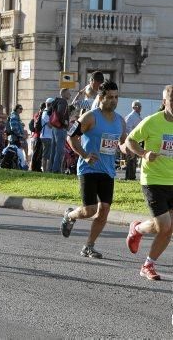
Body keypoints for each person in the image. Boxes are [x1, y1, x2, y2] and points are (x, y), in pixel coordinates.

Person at [61, 81, 126, 258]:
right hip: (88, 169)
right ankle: (70, 215)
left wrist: (129, 150)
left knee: (104, 209)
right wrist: (84, 155)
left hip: (107, 171)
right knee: (89, 210)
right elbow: (71, 137)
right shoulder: (90, 117)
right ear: (101, 97)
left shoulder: (120, 121)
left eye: (116, 97)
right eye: (110, 97)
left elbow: (122, 143)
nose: (114, 101)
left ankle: (89, 246)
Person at [125, 85, 173, 281]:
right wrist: (144, 153)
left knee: (168, 227)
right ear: (164, 102)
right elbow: (130, 140)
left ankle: (137, 230)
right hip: (153, 180)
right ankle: (147, 264)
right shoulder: (152, 122)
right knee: (164, 226)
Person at [49, 89, 72, 173]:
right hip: (60, 128)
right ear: (64, 94)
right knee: (60, 150)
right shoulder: (63, 102)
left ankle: (51, 168)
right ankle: (56, 170)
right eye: (69, 93)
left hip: (55, 127)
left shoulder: (56, 101)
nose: (70, 95)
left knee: (53, 149)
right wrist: (65, 123)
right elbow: (60, 113)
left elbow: (49, 112)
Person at [124, 100, 143, 180]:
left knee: (133, 159)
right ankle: (130, 177)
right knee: (131, 159)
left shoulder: (137, 116)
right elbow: (127, 129)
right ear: (134, 107)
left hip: (136, 141)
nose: (140, 108)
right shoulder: (131, 116)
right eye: (138, 106)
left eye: (140, 106)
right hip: (131, 140)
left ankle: (130, 176)